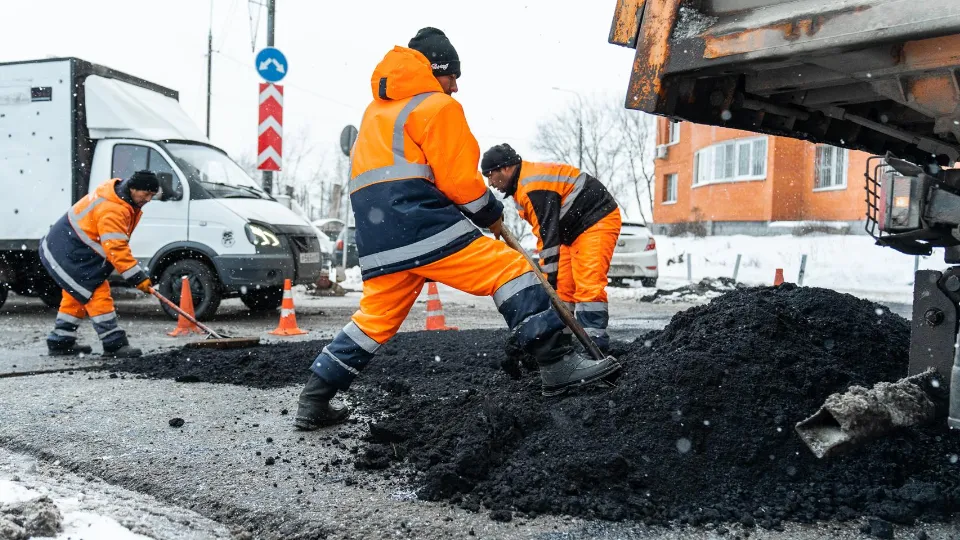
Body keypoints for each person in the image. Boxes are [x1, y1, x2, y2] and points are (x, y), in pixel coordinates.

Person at [294, 27, 621, 430]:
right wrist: (490, 216)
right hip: (419, 222)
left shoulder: (375, 113)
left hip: (378, 236)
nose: (456, 87)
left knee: (373, 319)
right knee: (512, 270)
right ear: (436, 71)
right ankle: (557, 365)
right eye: (453, 76)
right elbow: (460, 183)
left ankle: (314, 398)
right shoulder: (436, 106)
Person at [481, 144, 622, 352]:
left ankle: (595, 346)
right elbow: (548, 236)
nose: (490, 183)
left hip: (596, 220)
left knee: (588, 285)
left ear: (506, 168)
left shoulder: (532, 186)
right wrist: (552, 281)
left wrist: (548, 280)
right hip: (571, 232)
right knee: (563, 289)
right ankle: (562, 346)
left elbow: (547, 238)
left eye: (490, 175)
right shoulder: (523, 186)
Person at [40, 170, 160, 358]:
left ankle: (60, 341)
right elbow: (116, 247)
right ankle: (113, 343)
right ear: (133, 188)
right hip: (69, 250)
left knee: (77, 294)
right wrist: (138, 278)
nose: (149, 199)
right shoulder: (114, 208)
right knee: (97, 292)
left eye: (152, 195)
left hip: (66, 246)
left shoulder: (121, 197)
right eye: (146, 194)